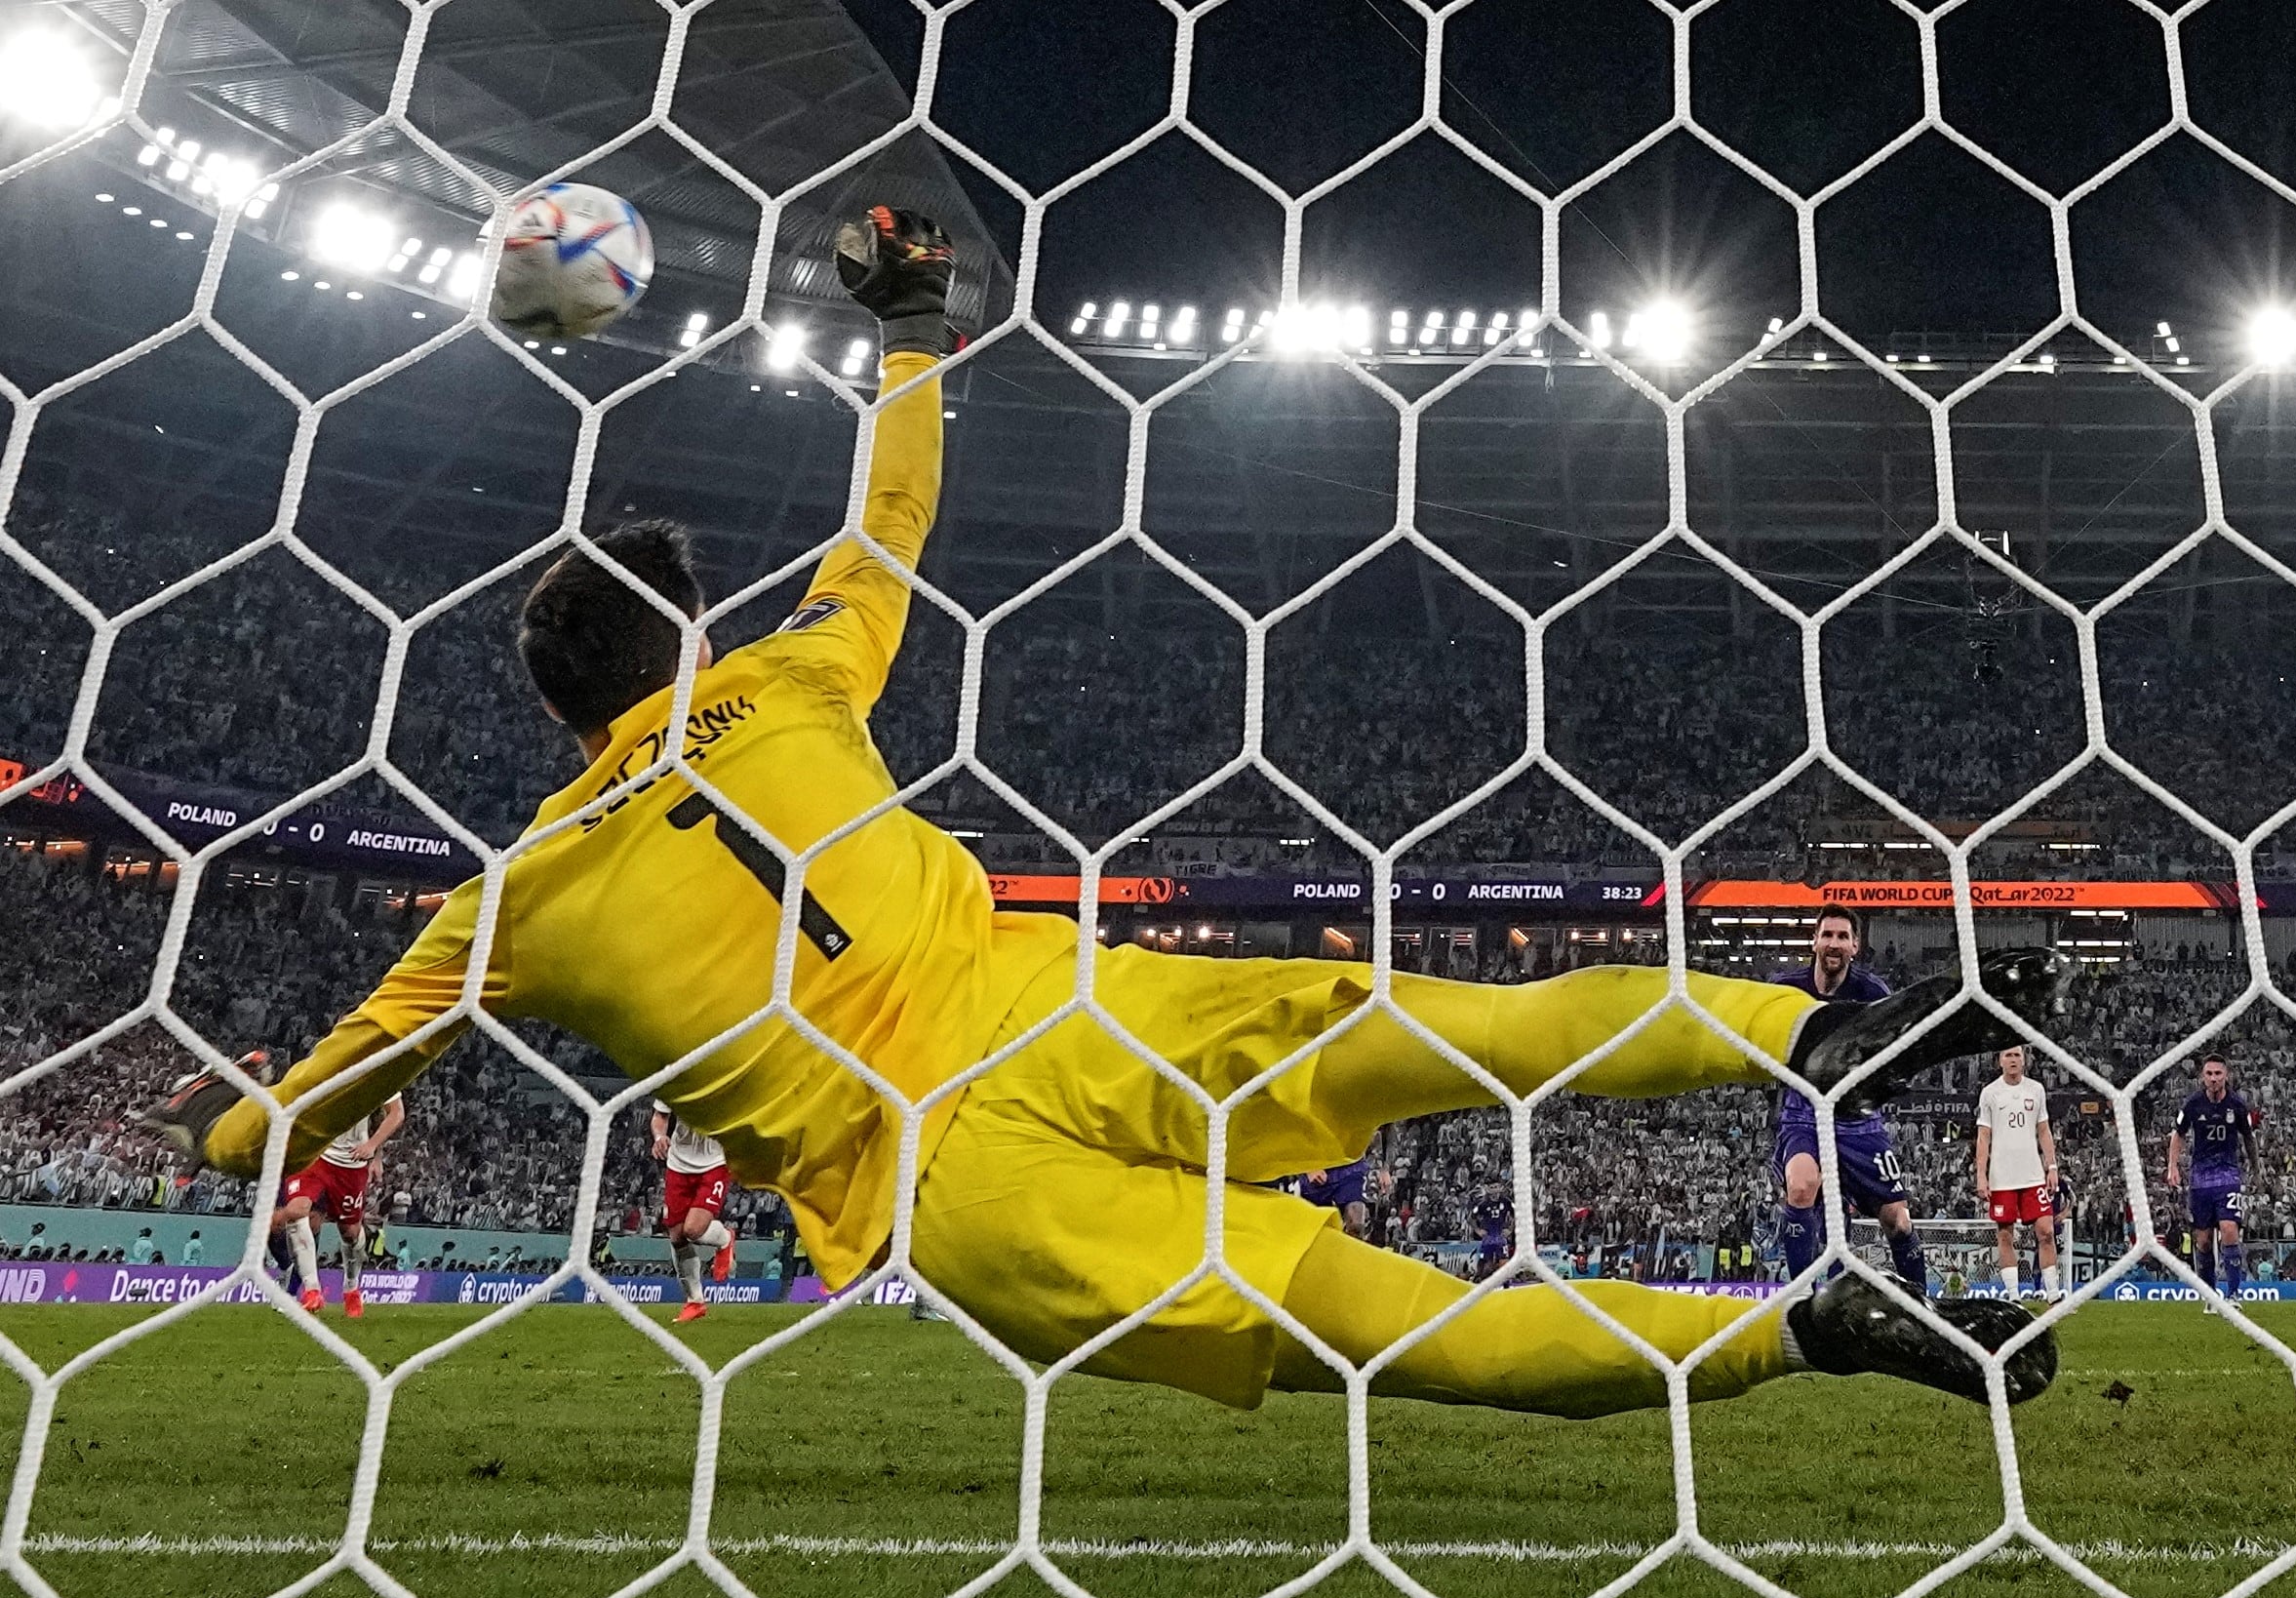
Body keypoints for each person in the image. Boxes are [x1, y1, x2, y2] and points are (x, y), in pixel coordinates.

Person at [157, 207, 2068, 1419]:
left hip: (956, 1188)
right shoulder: (793, 679)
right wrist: (911, 327)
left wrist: (222, 1114)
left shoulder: (516, 892)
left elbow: (308, 1095)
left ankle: (1805, 1333)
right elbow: (884, 519)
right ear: (683, 636)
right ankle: (1819, 1026)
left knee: (1405, 1324)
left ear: (564, 706)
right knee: (1472, 1033)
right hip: (1069, 1001)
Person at [1767, 907, 1929, 1295]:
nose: (1834, 944)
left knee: (1898, 1220)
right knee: (1802, 1187)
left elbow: (1897, 1048)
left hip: (1857, 1119)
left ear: (1855, 946)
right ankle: (1803, 1297)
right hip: (1804, 1112)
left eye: (1843, 937)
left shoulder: (1873, 993)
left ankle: (1923, 1304)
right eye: (1828, 935)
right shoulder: (1786, 989)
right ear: (1815, 941)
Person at [273, 1093, 403, 1318]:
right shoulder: (322, 1067)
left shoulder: (377, 1068)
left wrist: (374, 1149)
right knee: (296, 1211)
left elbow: (395, 1112)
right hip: (315, 1154)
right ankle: (311, 1290)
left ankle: (351, 1288)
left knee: (351, 1233)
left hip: (351, 1163)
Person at [2166, 1056, 2259, 1298]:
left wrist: (2257, 1169)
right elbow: (2178, 1135)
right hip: (2200, 1178)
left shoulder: (2237, 1105)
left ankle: (2234, 1293)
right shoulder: (2193, 1104)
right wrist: (2172, 1167)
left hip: (2228, 1175)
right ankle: (2210, 1295)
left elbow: (2248, 1137)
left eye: (2218, 1073)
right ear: (2202, 1076)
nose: (2214, 1078)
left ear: (2226, 1075)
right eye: (2209, 1074)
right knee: (2204, 1241)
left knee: (2229, 1229)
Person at [1974, 1046, 2060, 1302]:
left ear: (2024, 1061)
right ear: (2000, 1061)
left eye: (2017, 1055)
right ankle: (2013, 1297)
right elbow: (1983, 1136)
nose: (2012, 1060)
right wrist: (1981, 1174)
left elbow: (2044, 1131)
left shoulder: (2036, 1090)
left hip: (2033, 1176)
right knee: (2004, 1234)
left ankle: (2054, 1295)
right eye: (2008, 1056)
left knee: (2046, 1231)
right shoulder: (1990, 1093)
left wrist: (2052, 1166)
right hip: (2002, 1178)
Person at [651, 1099, 736, 1323]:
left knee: (693, 1230)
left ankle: (725, 1239)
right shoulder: (676, 1076)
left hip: (714, 1165)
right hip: (678, 1165)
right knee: (676, 1236)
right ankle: (695, 1301)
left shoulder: (726, 1081)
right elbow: (660, 1116)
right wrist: (659, 1137)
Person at [1295, 1159, 1372, 1241]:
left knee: (1355, 1223)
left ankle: (1353, 1249)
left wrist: (1383, 1168)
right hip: (1315, 1174)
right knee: (1320, 1233)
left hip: (1350, 1168)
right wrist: (1308, 1168)